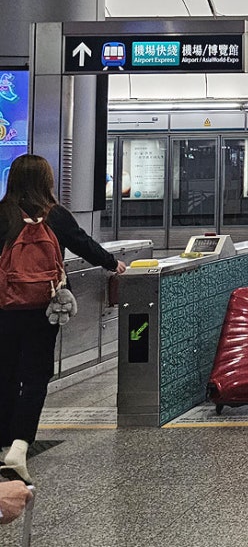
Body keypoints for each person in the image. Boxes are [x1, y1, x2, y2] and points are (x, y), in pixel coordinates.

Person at [0, 154, 127, 483]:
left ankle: (2, 439)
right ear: (47, 181)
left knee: (6, 372)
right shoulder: (54, 215)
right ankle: (19, 443)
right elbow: (84, 244)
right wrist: (114, 264)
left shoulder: (2, 213)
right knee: (36, 374)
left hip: (4, 307)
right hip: (45, 307)